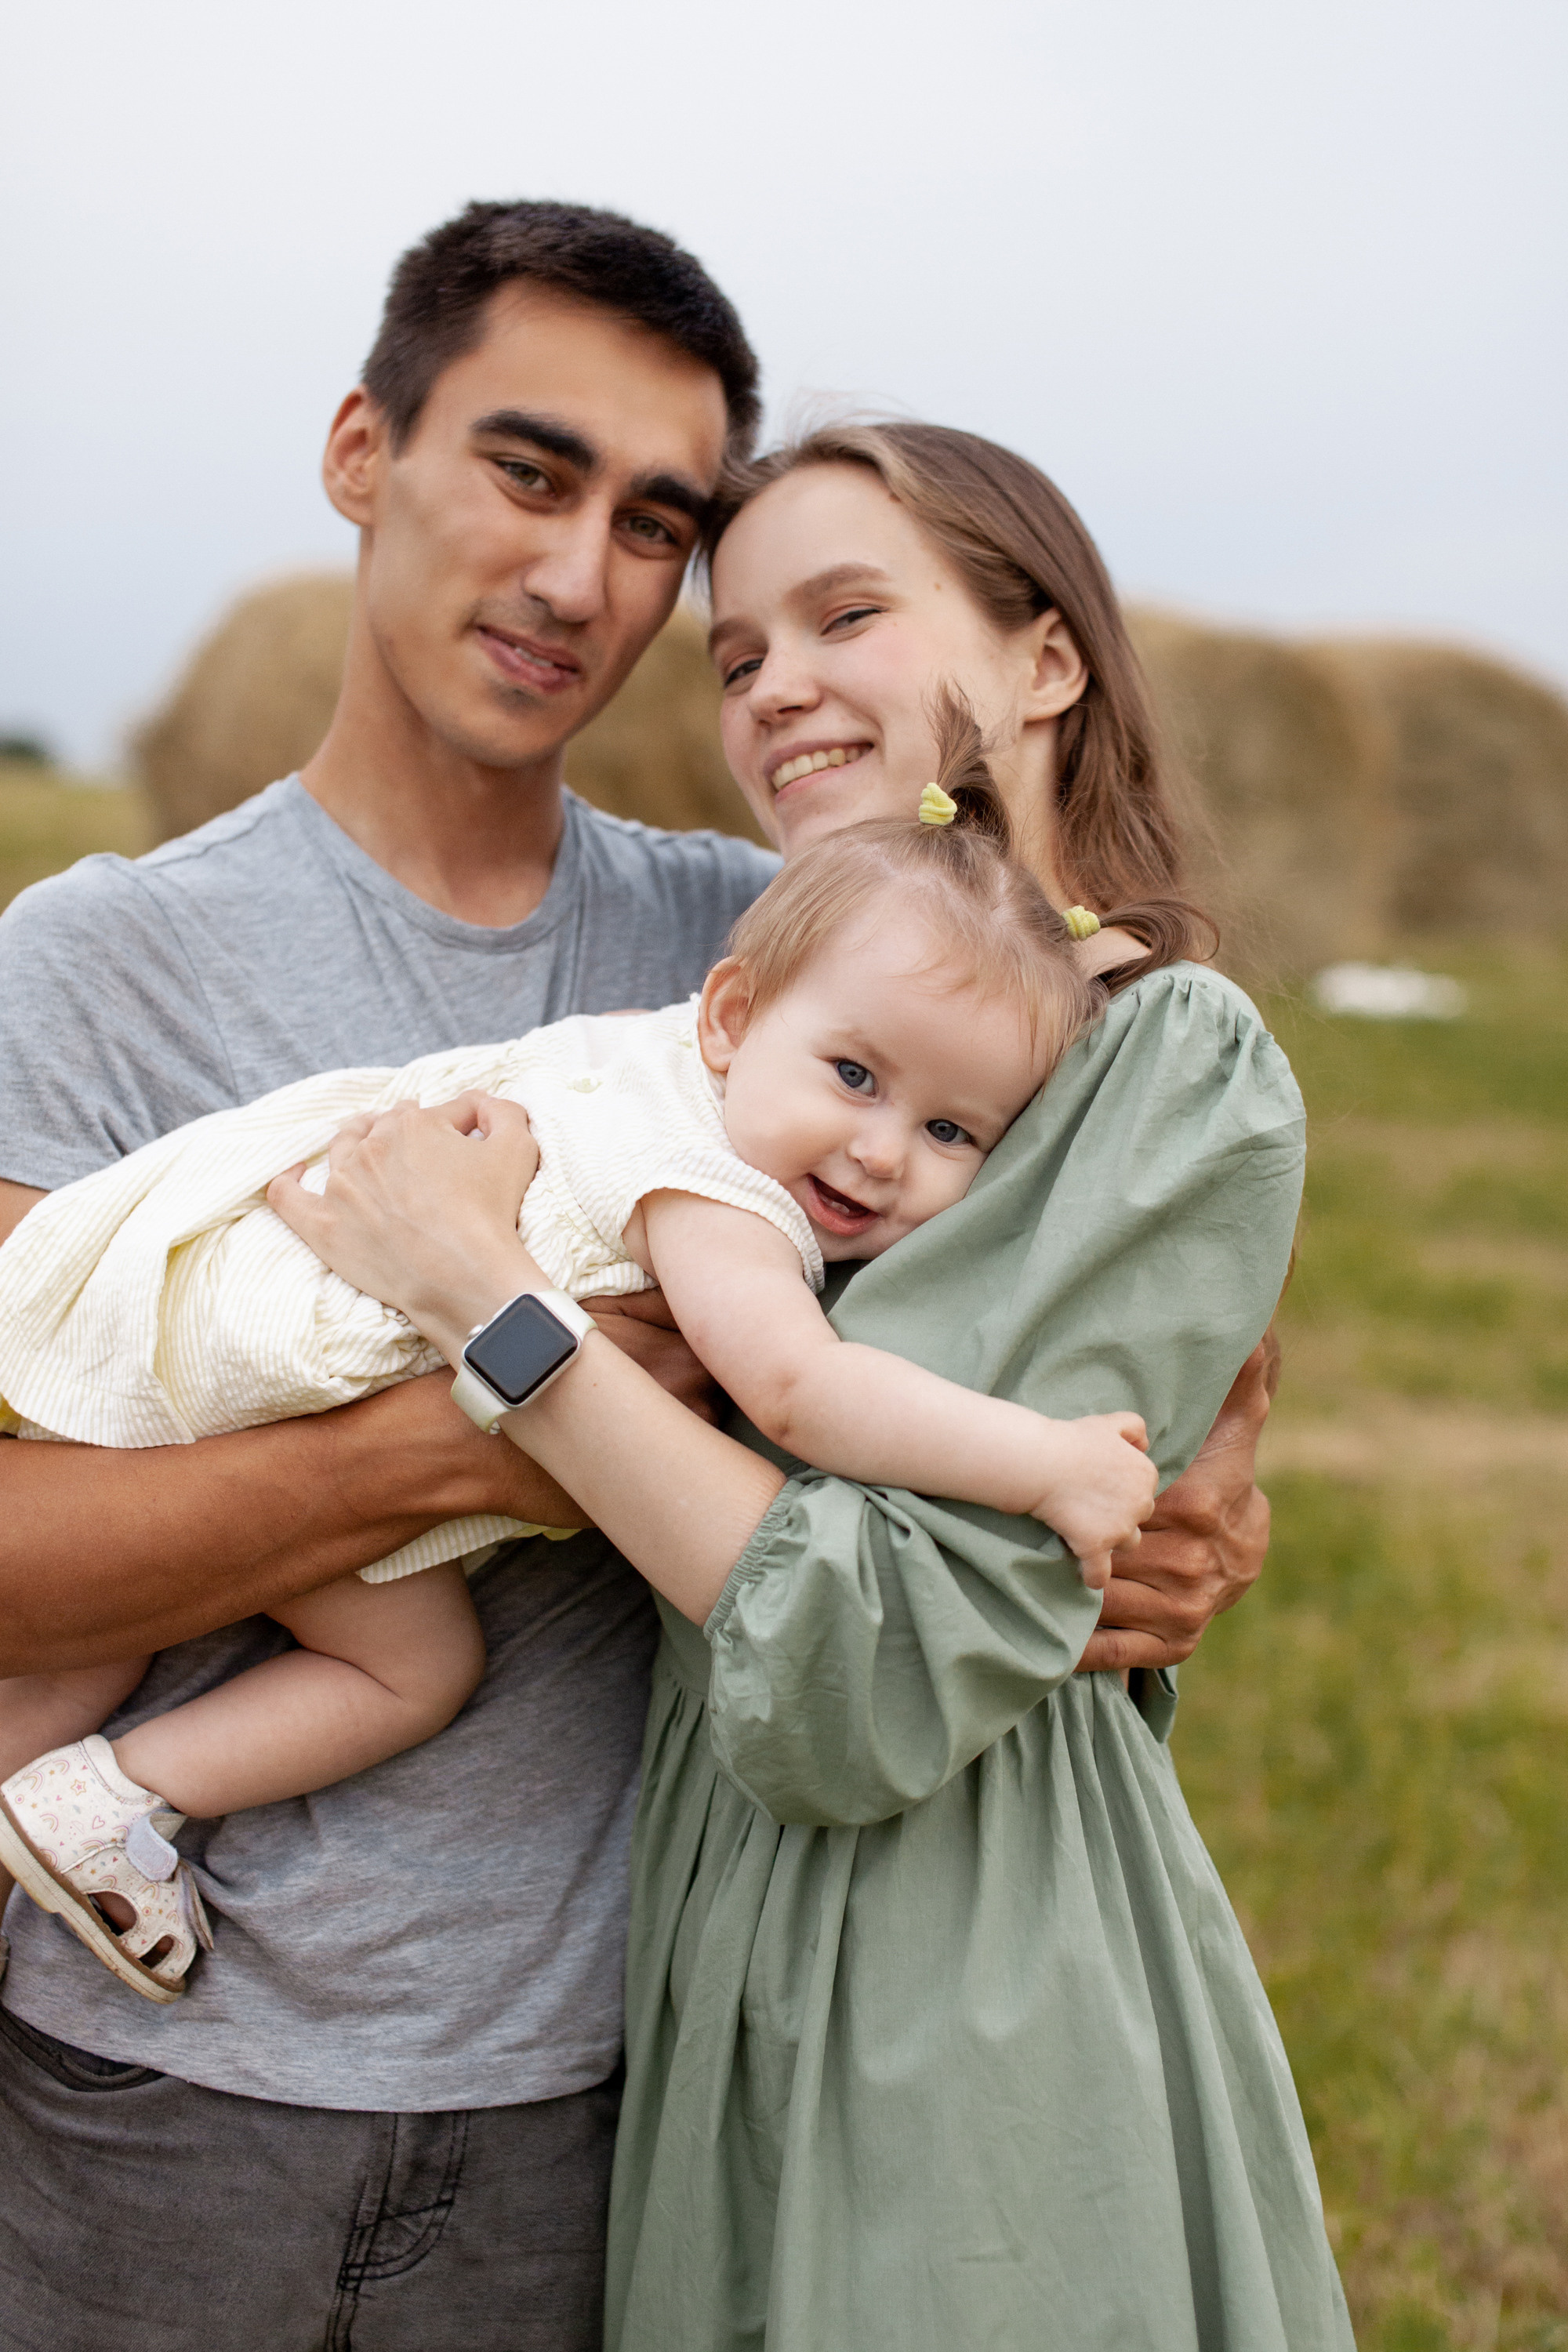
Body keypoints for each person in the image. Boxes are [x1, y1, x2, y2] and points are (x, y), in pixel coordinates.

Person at [0, 216, 1272, 2347]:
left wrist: (1200, 1494)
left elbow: (1108, 1271)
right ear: (357, 452)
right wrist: (466, 1430)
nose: (587, 576)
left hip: (619, 2100)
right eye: (527, 470)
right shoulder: (94, 966)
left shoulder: (794, 957)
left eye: (655, 526)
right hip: (165, 2098)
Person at [268, 423, 1350, 2347]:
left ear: (1044, 659)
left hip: (954, 1955)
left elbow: (864, 1667)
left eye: (847, 614)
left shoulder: (1166, 1055)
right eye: (737, 654)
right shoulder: (778, 1022)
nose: (775, 688)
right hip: (717, 1931)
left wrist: (488, 1306)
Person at [1, 798, 1160, 2003]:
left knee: (95, 1634)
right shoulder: (717, 1194)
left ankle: (59, 1785)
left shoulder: (639, 1048)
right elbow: (800, 1392)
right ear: (733, 1018)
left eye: (950, 1131)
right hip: (289, 1377)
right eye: (856, 1075)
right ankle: (120, 1797)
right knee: (415, 1671)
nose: (879, 1150)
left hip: (193, 1299)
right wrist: (1046, 1464)